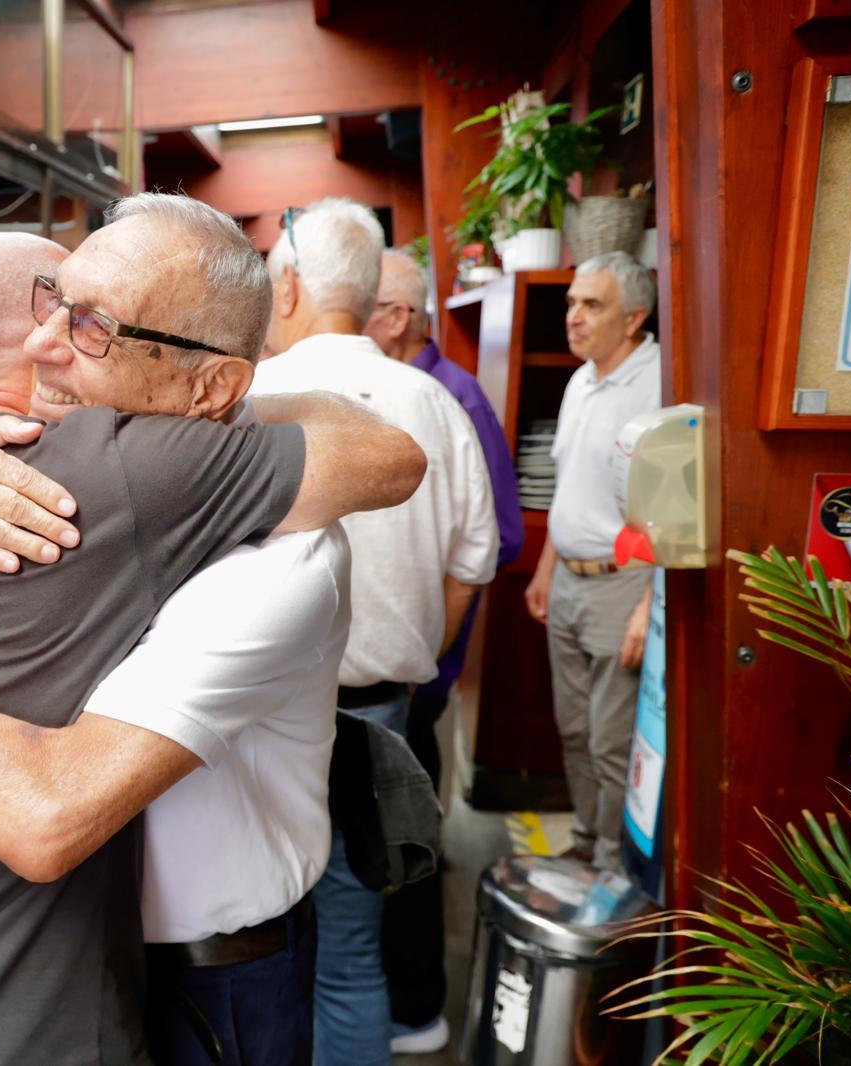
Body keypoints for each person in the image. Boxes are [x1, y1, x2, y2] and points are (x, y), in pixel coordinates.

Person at [0, 198, 426, 1063]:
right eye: (51, 303)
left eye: (94, 326)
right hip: (56, 991)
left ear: (211, 387)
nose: (46, 344)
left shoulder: (187, 504)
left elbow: (390, 457)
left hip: (199, 977)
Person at [255, 198, 499, 1066]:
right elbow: (476, 559)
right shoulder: (432, 400)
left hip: (250, 725)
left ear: (288, 284)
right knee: (352, 955)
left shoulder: (252, 397)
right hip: (380, 718)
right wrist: (424, 659)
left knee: (259, 951)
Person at [365, 249, 525, 1053]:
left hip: (414, 680)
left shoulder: (449, 397)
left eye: (359, 303)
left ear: (394, 315)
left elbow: (495, 537)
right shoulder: (397, 389)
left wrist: (425, 651)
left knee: (405, 857)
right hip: (406, 673)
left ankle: (417, 1011)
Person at [523, 251, 661, 873]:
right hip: (571, 583)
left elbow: (674, 515)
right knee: (572, 729)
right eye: (572, 303)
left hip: (621, 584)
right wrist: (547, 567)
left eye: (591, 305)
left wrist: (648, 605)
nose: (573, 317)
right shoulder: (584, 378)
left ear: (634, 319)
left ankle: (611, 865)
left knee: (610, 742)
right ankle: (584, 840)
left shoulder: (659, 384)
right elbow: (568, 483)